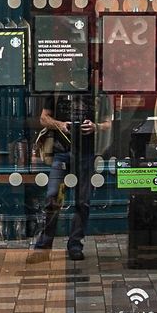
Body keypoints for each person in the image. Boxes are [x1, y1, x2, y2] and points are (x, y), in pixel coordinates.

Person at [32, 89, 99, 258]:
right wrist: (61, 125)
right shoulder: (57, 91)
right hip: (61, 152)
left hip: (86, 153)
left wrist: (95, 126)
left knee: (83, 200)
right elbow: (43, 118)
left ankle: (75, 244)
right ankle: (45, 243)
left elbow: (109, 122)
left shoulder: (95, 93)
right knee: (54, 196)